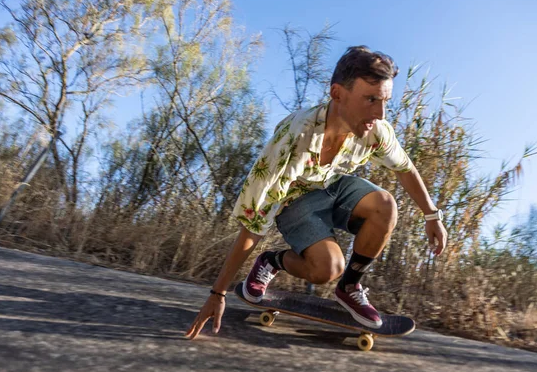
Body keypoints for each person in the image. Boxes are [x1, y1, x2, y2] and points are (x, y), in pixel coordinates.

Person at [186, 46, 448, 339]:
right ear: (338, 94)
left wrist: (431, 215)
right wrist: (217, 292)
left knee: (385, 205)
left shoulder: (377, 130)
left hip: (334, 187)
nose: (380, 112)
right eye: (370, 100)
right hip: (295, 202)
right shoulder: (293, 139)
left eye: (385, 100)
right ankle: (272, 261)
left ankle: (349, 288)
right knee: (327, 268)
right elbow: (253, 221)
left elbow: (405, 168)